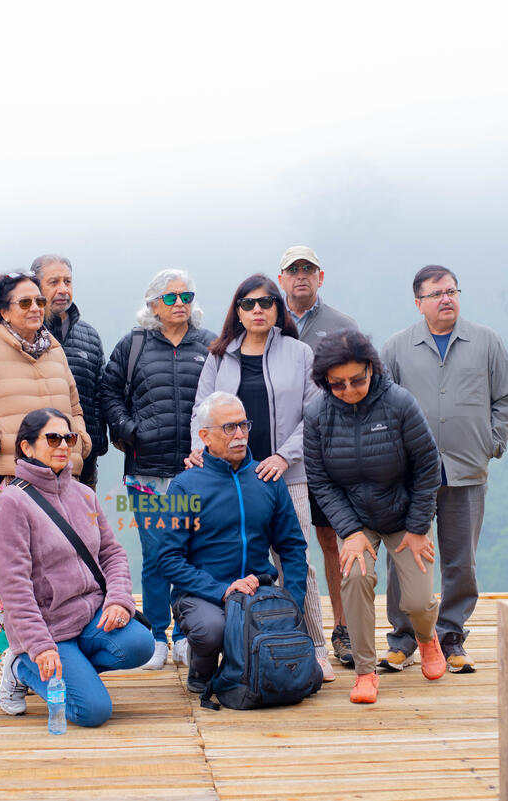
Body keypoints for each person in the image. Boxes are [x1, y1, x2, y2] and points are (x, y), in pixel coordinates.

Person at [188, 274, 334, 681]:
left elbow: (315, 414)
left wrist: (284, 457)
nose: (258, 310)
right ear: (237, 311)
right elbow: (201, 411)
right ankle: (245, 646)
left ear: (278, 309)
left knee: (297, 563)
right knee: (232, 556)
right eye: (249, 303)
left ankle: (313, 647)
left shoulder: (299, 353)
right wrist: (200, 450)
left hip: (287, 474)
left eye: (266, 302)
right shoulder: (219, 356)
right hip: (232, 477)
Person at [380, 265, 508, 674]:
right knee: (405, 558)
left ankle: (451, 636)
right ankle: (404, 639)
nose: (446, 299)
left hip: (467, 469)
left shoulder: (486, 342)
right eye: (436, 294)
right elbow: (382, 407)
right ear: (418, 303)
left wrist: (492, 443)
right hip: (411, 475)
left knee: (461, 560)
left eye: (452, 291)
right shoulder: (397, 347)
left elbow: (507, 401)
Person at [0, 272, 91, 663]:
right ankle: (9, 664)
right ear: (3, 311)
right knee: (9, 573)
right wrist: (6, 443)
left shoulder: (55, 351)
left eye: (39, 302)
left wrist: (79, 444)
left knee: (57, 568)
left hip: (60, 482)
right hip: (8, 483)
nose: (35, 309)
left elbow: (75, 409)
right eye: (25, 302)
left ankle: (52, 654)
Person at [304, 330, 446, 703]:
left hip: (404, 516)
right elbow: (320, 481)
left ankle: (427, 638)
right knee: (354, 578)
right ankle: (365, 672)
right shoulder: (317, 415)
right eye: (337, 384)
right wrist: (350, 531)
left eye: (357, 380)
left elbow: (428, 466)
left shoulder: (399, 403)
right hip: (356, 519)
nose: (349, 390)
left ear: (372, 368)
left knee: (417, 601)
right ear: (325, 380)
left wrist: (418, 527)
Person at [0, 408, 154, 727]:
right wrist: (39, 646)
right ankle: (20, 667)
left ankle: (73, 668)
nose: (63, 445)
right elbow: (14, 588)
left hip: (90, 616)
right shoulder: (13, 502)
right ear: (26, 447)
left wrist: (119, 599)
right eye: (52, 438)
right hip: (49, 628)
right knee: (93, 712)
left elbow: (112, 553)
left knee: (140, 644)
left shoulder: (84, 494)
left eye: (69, 438)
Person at [100, 269, 215, 670]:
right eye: (170, 297)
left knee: (192, 553)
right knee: (154, 553)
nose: (180, 303)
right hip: (146, 470)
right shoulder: (134, 345)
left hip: (196, 471)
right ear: (152, 304)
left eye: (186, 296)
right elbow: (108, 391)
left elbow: (223, 397)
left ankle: (186, 634)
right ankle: (155, 636)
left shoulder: (210, 344)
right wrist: (128, 430)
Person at [157, 392, 310, 694]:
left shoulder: (267, 479)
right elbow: (167, 559)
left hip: (257, 588)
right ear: (205, 437)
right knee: (214, 629)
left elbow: (292, 547)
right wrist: (221, 590)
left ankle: (244, 671)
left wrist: (293, 600)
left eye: (243, 425)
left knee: (272, 627)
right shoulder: (184, 486)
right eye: (229, 427)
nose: (240, 435)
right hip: (203, 593)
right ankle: (201, 670)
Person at [277, 245, 359, 668]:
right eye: (293, 270)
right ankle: (289, 631)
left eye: (308, 269)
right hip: (283, 456)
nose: (301, 276)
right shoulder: (268, 320)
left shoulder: (342, 326)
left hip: (330, 452)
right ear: (282, 279)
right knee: (287, 546)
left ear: (320, 277)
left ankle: (343, 628)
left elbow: (364, 383)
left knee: (333, 540)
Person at [32, 254, 108, 490]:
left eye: (67, 281)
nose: (63, 289)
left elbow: (100, 393)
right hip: (33, 460)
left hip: (82, 460)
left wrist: (94, 443)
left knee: (83, 515)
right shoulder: (19, 334)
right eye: (54, 282)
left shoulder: (89, 336)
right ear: (36, 287)